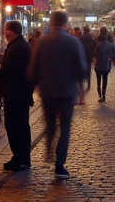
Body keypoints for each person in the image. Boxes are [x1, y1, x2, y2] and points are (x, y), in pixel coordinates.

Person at [27, 10, 86, 179]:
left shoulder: (40, 42)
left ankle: (48, 150)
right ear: (66, 23)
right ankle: (60, 164)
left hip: (47, 91)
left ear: (51, 23)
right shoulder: (73, 42)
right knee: (65, 128)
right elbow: (81, 69)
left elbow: (32, 70)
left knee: (51, 125)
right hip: (67, 92)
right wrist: (80, 87)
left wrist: (35, 87)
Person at [0, 20, 34, 172]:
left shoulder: (17, 47)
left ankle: (20, 158)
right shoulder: (20, 45)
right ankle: (21, 157)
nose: (4, 32)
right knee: (20, 125)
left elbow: (8, 69)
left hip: (16, 93)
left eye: (5, 29)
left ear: (10, 31)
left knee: (15, 125)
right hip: (19, 92)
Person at [93, 27, 115, 102]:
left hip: (98, 64)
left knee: (98, 80)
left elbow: (93, 53)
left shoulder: (97, 43)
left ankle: (99, 94)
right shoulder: (110, 44)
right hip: (106, 64)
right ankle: (103, 95)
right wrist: (114, 60)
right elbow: (114, 54)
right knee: (105, 80)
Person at [79, 26, 97, 92]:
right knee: (89, 70)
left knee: (82, 69)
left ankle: (82, 83)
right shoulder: (92, 37)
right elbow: (95, 45)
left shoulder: (81, 38)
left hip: (82, 55)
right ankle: (89, 84)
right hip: (89, 56)